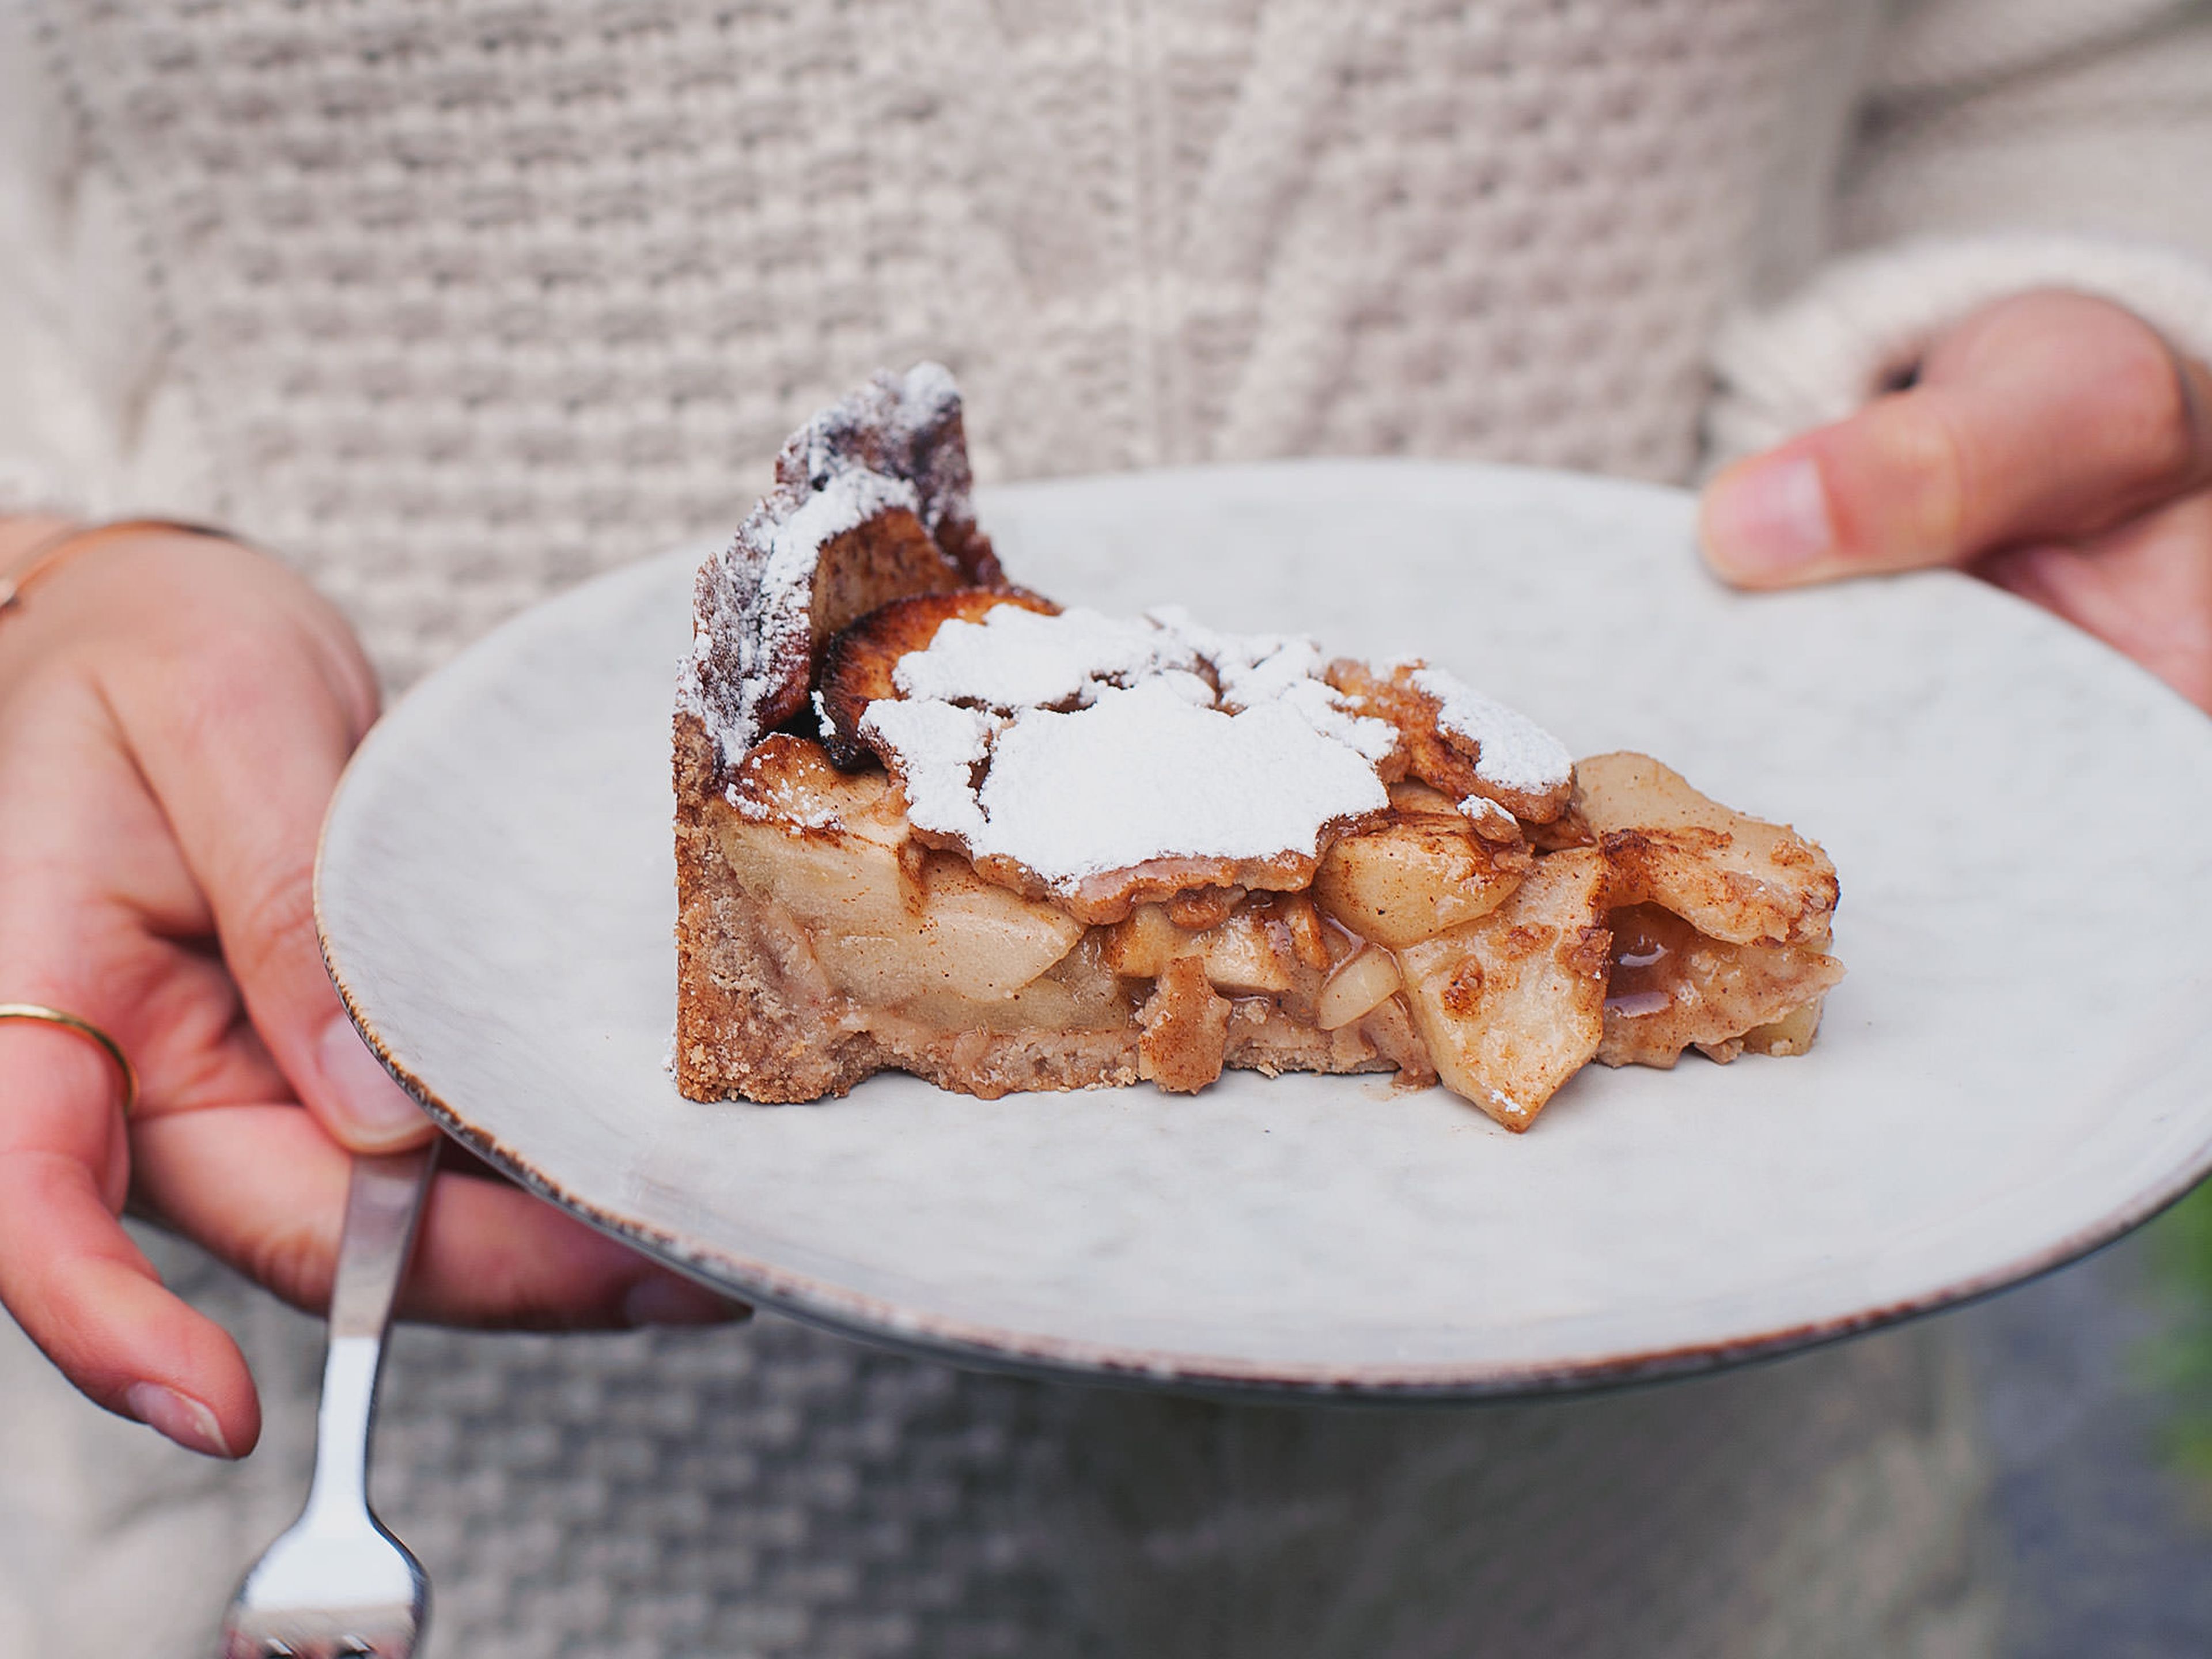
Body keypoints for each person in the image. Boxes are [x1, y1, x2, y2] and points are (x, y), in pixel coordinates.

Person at [1, 1, 2207, 1653]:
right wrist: (42, 584)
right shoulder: (825, 808)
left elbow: (2080, 74)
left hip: (1726, 1552)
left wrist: (2119, 339)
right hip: (417, 1518)